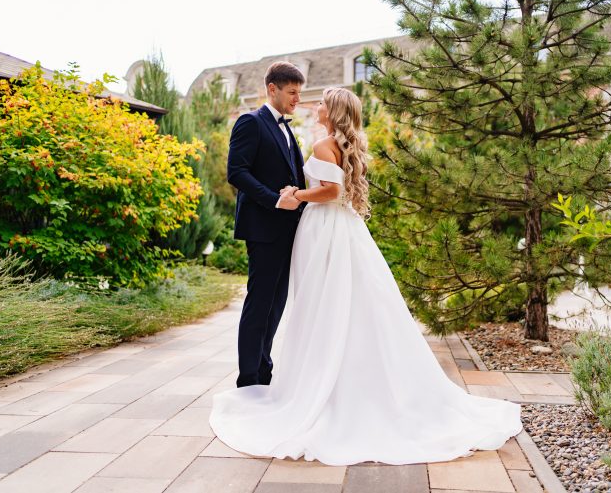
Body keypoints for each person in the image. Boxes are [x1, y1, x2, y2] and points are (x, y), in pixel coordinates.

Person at [211, 86, 523, 466]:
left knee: (326, 301)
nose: (316, 106)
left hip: (326, 227)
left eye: (322, 103)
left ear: (334, 111)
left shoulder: (327, 145)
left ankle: (326, 382)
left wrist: (296, 194)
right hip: (337, 228)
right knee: (344, 300)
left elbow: (331, 191)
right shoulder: (339, 143)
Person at [226, 61, 306, 388]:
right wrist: (275, 198)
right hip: (263, 227)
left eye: (299, 93)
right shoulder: (251, 122)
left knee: (276, 305)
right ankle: (248, 379)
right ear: (272, 89)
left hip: (289, 229)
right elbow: (237, 173)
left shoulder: (287, 128)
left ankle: (264, 372)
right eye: (292, 92)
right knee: (260, 303)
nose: (297, 99)